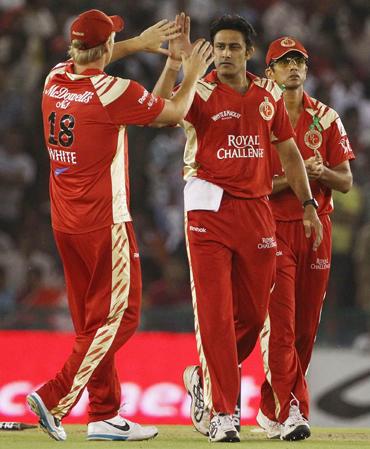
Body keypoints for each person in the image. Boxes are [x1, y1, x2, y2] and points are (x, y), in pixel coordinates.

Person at [25, 8, 213, 442]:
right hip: (104, 221)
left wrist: (159, 57)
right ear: (107, 47)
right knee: (121, 317)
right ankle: (53, 396)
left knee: (93, 325)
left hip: (66, 222)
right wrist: (192, 69)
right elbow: (171, 113)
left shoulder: (55, 79)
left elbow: (136, 99)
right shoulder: (111, 91)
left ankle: (105, 414)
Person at [153, 14, 322, 443]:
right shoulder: (201, 87)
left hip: (257, 212)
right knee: (214, 314)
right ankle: (223, 413)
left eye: (233, 47)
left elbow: (288, 152)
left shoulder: (268, 94)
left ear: (248, 52)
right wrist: (176, 67)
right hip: (208, 212)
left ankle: (203, 378)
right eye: (219, 47)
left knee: (252, 314)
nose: (225, 54)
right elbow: (155, 114)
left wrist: (307, 204)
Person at [256, 37, 355, 441]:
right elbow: (257, 184)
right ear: (270, 73)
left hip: (318, 230)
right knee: (281, 324)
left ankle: (270, 407)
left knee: (304, 328)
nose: (292, 68)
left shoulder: (326, 119)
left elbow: (345, 181)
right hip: (275, 227)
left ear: (306, 70)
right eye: (283, 62)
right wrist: (298, 179)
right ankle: (293, 409)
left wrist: (319, 174)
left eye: (298, 61)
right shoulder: (260, 118)